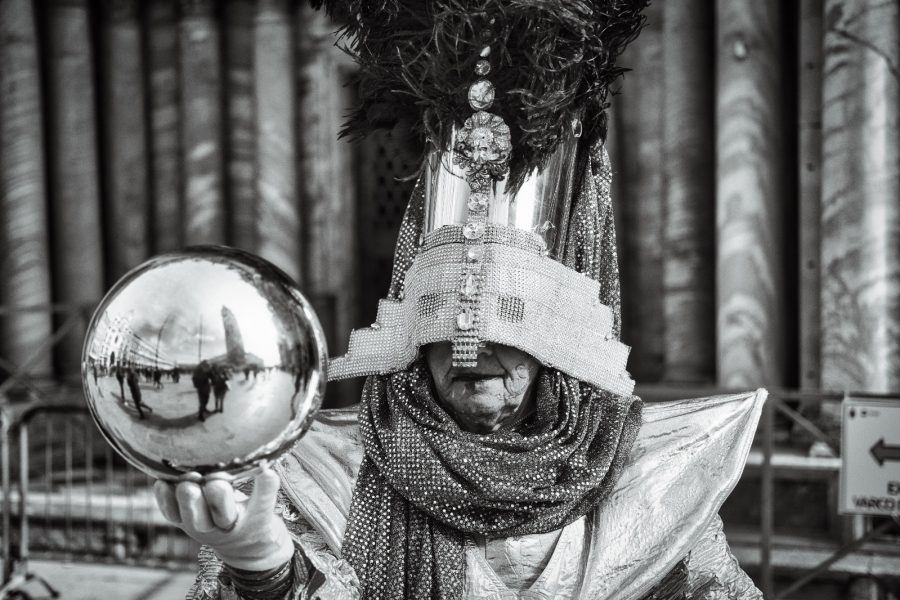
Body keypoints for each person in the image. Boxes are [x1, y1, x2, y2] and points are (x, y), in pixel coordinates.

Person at [155, 3, 764, 598]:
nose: (468, 340)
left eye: (511, 313)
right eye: (441, 312)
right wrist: (263, 569)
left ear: (561, 329)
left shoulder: (642, 478)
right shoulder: (323, 474)